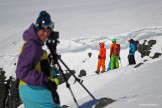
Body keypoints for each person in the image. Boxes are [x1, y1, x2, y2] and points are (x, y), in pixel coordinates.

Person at [16, 11, 61, 108]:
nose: (45, 33)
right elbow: (22, 71)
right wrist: (46, 81)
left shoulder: (35, 45)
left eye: (48, 31)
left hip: (30, 88)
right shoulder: (32, 45)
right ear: (37, 28)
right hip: (32, 88)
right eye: (43, 30)